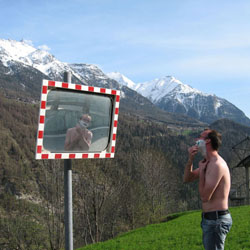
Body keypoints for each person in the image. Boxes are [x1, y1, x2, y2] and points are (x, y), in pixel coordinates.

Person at [183, 129, 232, 250]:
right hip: (211, 220)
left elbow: (205, 197)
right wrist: (191, 160)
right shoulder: (207, 163)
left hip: (216, 221)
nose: (196, 140)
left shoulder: (216, 165)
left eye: (199, 137)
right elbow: (187, 179)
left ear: (207, 141)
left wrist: (203, 172)